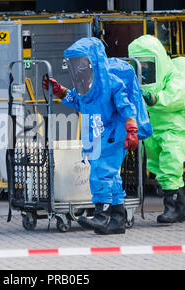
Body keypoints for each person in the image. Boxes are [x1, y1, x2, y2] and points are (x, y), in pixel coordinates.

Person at [43, 37, 152, 235]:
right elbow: (79, 100)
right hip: (96, 133)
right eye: (75, 63)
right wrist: (61, 91)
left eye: (81, 61)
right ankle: (117, 219)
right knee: (110, 175)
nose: (78, 67)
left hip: (113, 132)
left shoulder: (110, 81)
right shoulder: (88, 84)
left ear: (92, 59)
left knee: (101, 172)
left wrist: (132, 129)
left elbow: (126, 106)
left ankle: (102, 215)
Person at [128, 35, 185, 223]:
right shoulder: (140, 78)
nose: (144, 67)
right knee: (158, 166)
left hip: (175, 128)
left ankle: (173, 208)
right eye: (140, 63)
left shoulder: (176, 76)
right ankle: (178, 209)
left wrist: (154, 99)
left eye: (147, 63)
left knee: (171, 164)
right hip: (154, 127)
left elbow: (175, 97)